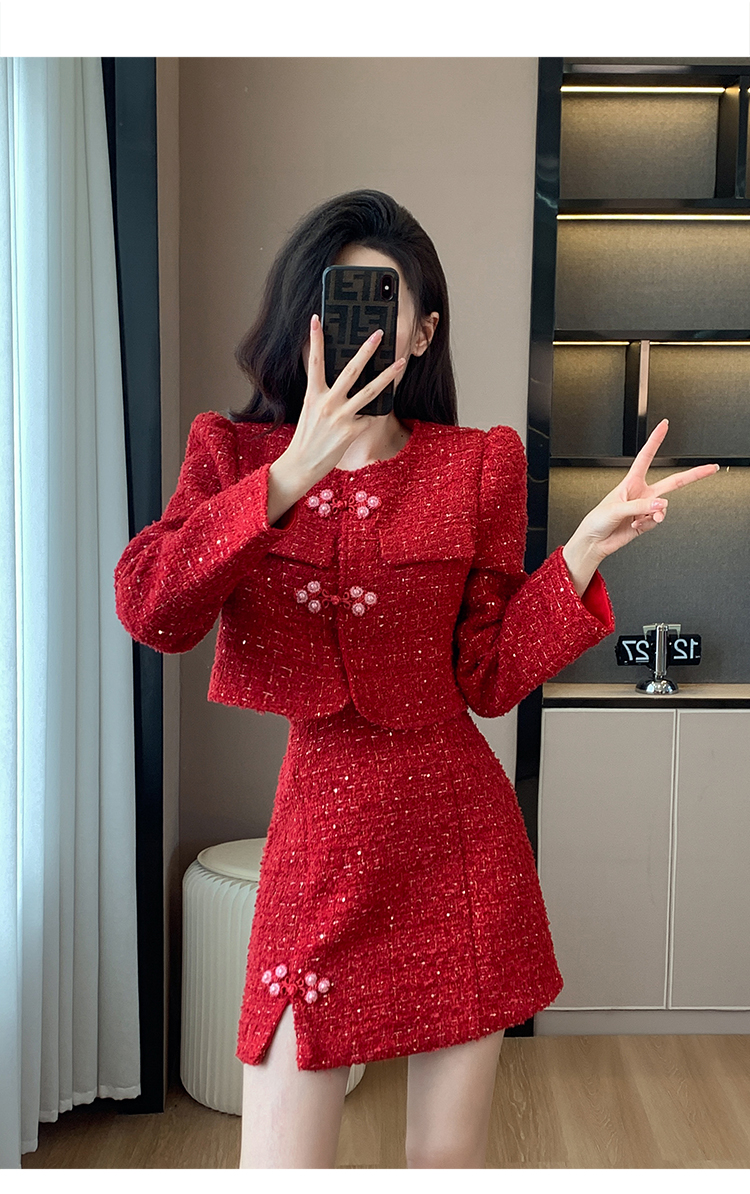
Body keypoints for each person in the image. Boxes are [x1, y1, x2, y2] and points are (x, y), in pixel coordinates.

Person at [113, 190, 720, 1169]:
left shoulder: (477, 467)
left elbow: (488, 675)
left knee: (443, 1169)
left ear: (422, 331)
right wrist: (290, 472)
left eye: (383, 301)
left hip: (458, 844)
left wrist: (581, 553)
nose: (357, 323)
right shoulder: (231, 454)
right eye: (336, 297)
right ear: (303, 316)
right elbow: (153, 610)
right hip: (318, 844)